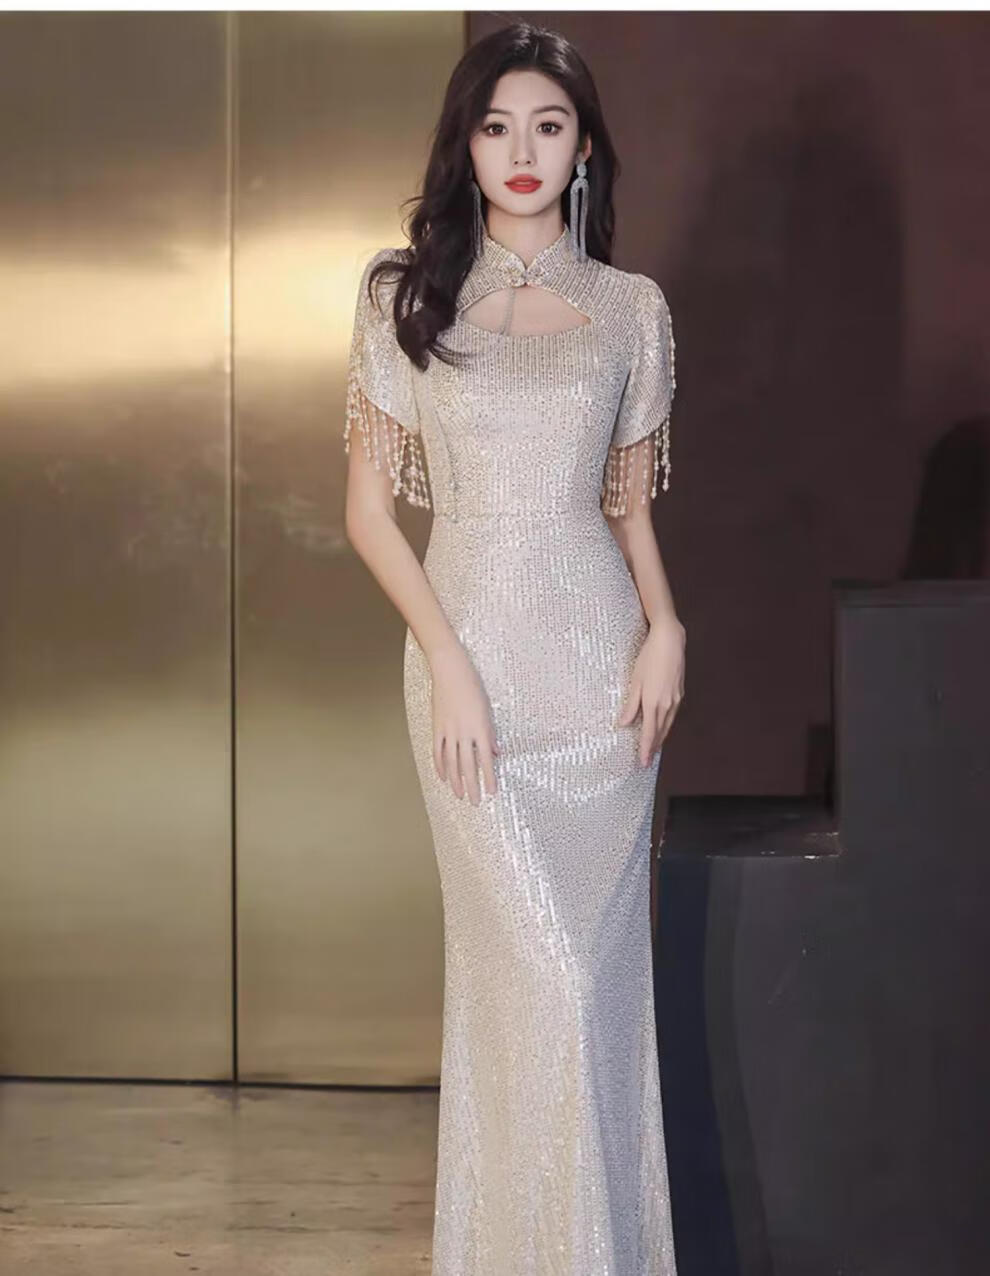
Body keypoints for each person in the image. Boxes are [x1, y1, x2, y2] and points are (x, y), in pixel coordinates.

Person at [342, 21, 684, 1275]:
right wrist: (448, 660)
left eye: (548, 125)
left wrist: (668, 626)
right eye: (496, 127)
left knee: (593, 992)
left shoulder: (631, 309)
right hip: (468, 670)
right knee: (528, 984)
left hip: (603, 682)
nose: (522, 150)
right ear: (466, 145)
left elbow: (627, 508)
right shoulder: (403, 294)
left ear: (583, 147)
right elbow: (367, 516)